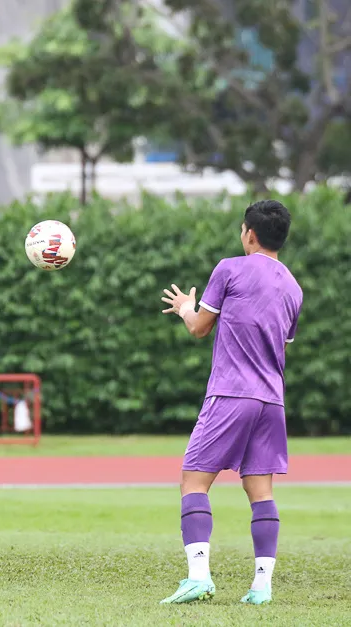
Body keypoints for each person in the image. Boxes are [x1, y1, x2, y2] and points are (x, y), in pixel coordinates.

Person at [159, 200, 302, 605]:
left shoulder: (230, 268)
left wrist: (186, 307)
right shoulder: (293, 287)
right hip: (271, 400)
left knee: (193, 481)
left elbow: (200, 328)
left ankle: (199, 577)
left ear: (249, 234)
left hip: (231, 393)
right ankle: (261, 586)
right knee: (261, 492)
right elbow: (280, 346)